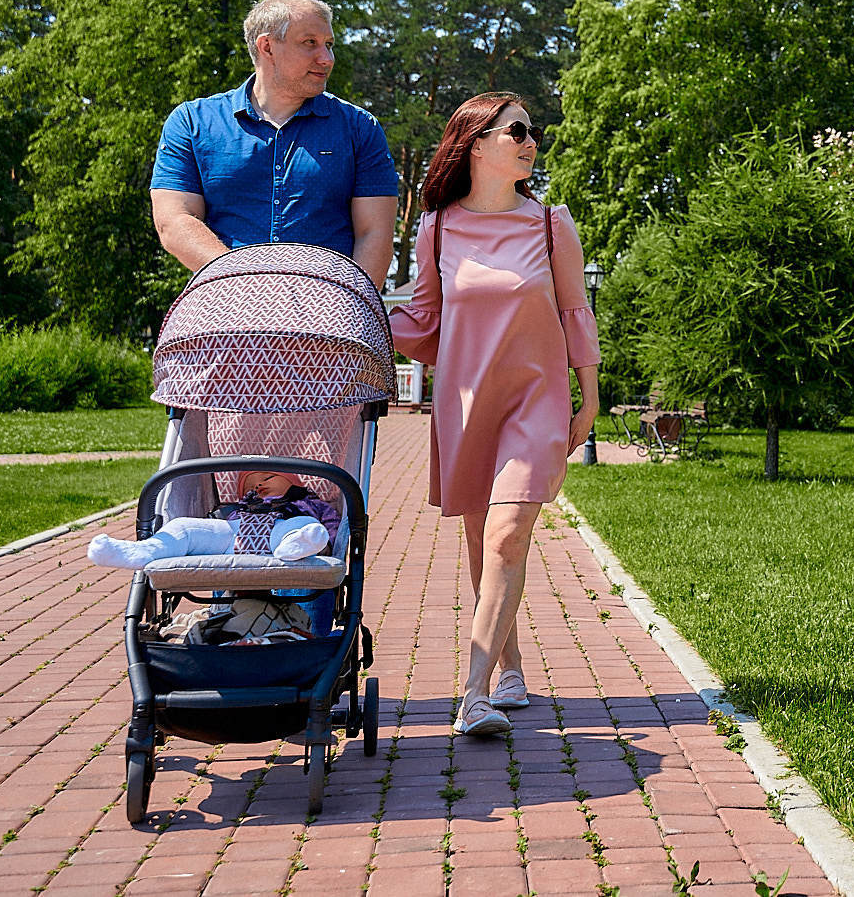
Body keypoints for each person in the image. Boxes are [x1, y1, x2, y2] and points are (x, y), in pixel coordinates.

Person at [388, 92, 600, 736]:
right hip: (466, 402)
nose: (531, 141)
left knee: (508, 534)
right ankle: (510, 668)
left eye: (533, 132)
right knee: (484, 543)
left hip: (537, 400)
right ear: (477, 144)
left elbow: (575, 310)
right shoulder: (438, 228)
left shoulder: (550, 224)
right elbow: (425, 319)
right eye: (517, 131)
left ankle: (473, 693)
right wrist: (354, 319)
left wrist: (590, 394)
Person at [150, 0, 398, 287]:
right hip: (224, 302)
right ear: (267, 47)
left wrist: (351, 305)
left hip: (328, 306)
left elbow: (375, 235)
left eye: (329, 45)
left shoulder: (360, 127)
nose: (327, 59)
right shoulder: (192, 122)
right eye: (310, 43)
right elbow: (174, 221)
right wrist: (245, 284)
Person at [87, 469, 340, 569]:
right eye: (250, 485)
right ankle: (144, 551)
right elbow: (217, 525)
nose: (259, 485)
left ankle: (300, 544)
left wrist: (329, 544)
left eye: (267, 478)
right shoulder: (236, 508)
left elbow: (332, 524)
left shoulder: (308, 503)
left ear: (295, 482)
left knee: (307, 525)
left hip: (283, 531)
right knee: (183, 527)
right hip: (234, 536)